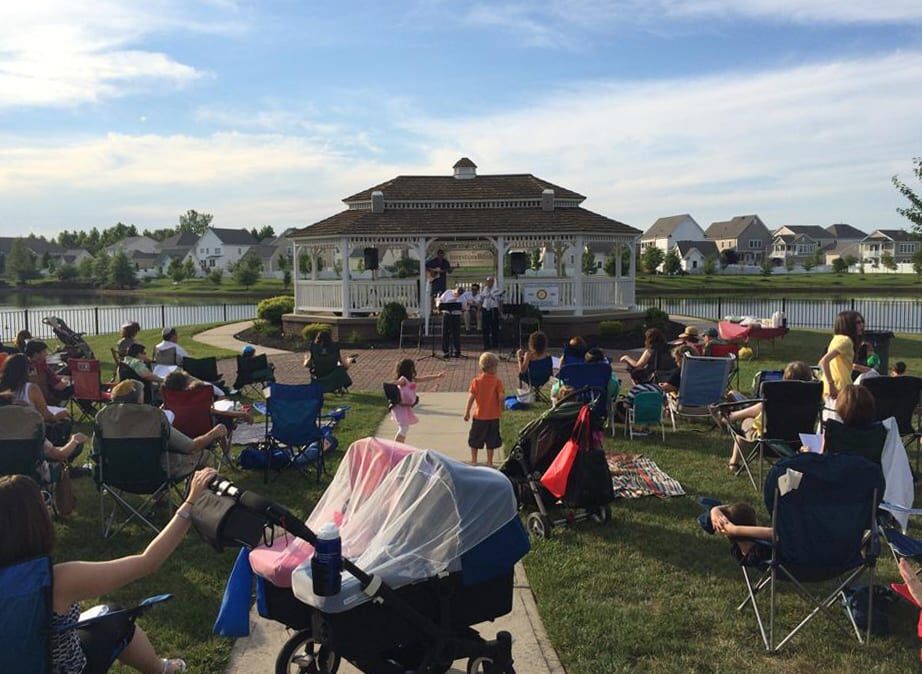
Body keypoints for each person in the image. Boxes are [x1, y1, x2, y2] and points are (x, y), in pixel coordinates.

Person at [0, 467, 217, 673]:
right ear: (36, 521)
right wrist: (190, 502)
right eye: (44, 501)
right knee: (114, 617)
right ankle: (163, 669)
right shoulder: (60, 580)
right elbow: (148, 562)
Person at [110, 380, 226, 478]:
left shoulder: (105, 420)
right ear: (139, 399)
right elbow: (191, 447)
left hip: (118, 473)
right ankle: (201, 498)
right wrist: (215, 432)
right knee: (206, 455)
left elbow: (97, 452)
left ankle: (162, 497)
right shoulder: (153, 418)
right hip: (154, 473)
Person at [718, 360, 813, 472]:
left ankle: (733, 462)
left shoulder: (778, 395)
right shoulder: (812, 398)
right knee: (759, 408)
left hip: (769, 442)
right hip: (799, 442)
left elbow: (762, 408)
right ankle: (734, 414)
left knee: (748, 420)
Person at [162, 370, 251, 455]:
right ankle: (226, 455)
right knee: (226, 420)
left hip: (178, 440)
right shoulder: (198, 397)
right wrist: (242, 414)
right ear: (186, 383)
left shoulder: (169, 402)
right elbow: (219, 412)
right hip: (205, 435)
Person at [819, 311, 870, 419]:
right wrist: (831, 384)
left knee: (829, 422)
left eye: (862, 322)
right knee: (839, 423)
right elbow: (824, 361)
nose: (862, 326)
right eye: (857, 323)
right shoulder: (846, 341)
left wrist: (856, 367)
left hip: (833, 388)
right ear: (848, 325)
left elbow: (838, 362)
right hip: (839, 388)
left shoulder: (837, 338)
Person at [0, 353, 70, 425]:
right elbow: (46, 416)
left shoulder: (2, 387)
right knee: (65, 420)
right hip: (28, 428)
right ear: (25, 370)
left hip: (5, 427)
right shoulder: (31, 388)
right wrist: (58, 415)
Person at [389, 359, 445, 443]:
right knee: (403, 427)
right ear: (408, 369)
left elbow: (424, 378)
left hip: (405, 407)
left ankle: (400, 444)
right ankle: (396, 446)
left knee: (405, 427)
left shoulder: (411, 379)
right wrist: (392, 384)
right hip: (400, 408)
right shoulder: (403, 380)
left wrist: (437, 376)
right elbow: (397, 383)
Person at [464, 352, 504, 466]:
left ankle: (474, 460)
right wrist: (502, 407)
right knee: (491, 441)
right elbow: (501, 396)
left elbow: (471, 397)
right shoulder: (497, 382)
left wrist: (467, 412)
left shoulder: (476, 381)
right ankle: (490, 461)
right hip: (493, 417)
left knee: (475, 439)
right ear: (492, 367)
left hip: (479, 416)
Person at [25, 340, 74, 404]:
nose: (47, 354)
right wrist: (68, 380)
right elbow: (59, 386)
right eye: (44, 351)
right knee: (78, 385)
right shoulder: (42, 367)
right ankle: (88, 408)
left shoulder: (27, 365)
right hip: (50, 397)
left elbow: (52, 378)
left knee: (66, 371)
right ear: (36, 354)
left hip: (32, 398)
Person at [437, 285, 464, 358]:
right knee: (445, 333)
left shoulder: (462, 296)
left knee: (456, 334)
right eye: (456, 294)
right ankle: (445, 352)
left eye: (458, 295)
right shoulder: (448, 292)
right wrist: (439, 305)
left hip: (456, 316)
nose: (457, 295)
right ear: (455, 290)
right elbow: (441, 300)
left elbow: (464, 306)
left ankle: (457, 351)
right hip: (447, 315)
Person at [478, 276, 503, 351]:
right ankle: (486, 345)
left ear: (493, 282)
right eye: (487, 281)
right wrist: (479, 310)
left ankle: (494, 344)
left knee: (494, 328)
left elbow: (500, 301)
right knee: (485, 328)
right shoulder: (484, 290)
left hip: (493, 309)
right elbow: (480, 300)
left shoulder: (496, 290)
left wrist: (500, 311)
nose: (489, 283)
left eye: (490, 281)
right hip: (485, 309)